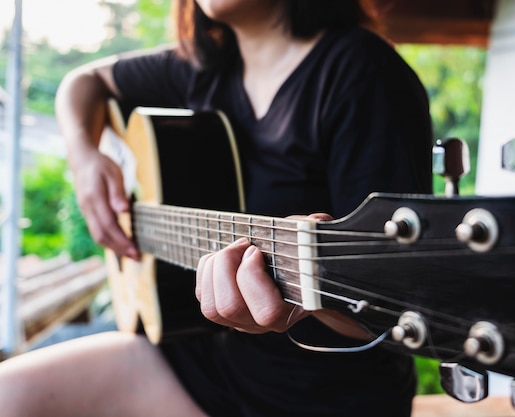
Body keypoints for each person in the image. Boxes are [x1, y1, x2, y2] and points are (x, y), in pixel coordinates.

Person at [0, 0, 433, 416]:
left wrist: (310, 294)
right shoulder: (202, 69)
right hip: (200, 354)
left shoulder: (363, 72)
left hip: (321, 395)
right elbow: (83, 82)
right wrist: (84, 158)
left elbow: (391, 311)